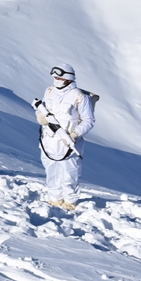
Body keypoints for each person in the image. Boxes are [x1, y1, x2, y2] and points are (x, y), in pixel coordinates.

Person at [33, 63, 95, 210]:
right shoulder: (49, 91)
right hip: (48, 140)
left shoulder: (80, 96)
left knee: (69, 174)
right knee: (51, 171)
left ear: (68, 78)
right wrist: (40, 115)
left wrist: (75, 134)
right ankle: (54, 199)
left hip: (68, 143)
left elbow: (88, 121)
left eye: (59, 76)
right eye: (55, 76)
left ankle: (69, 202)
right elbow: (41, 107)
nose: (56, 79)